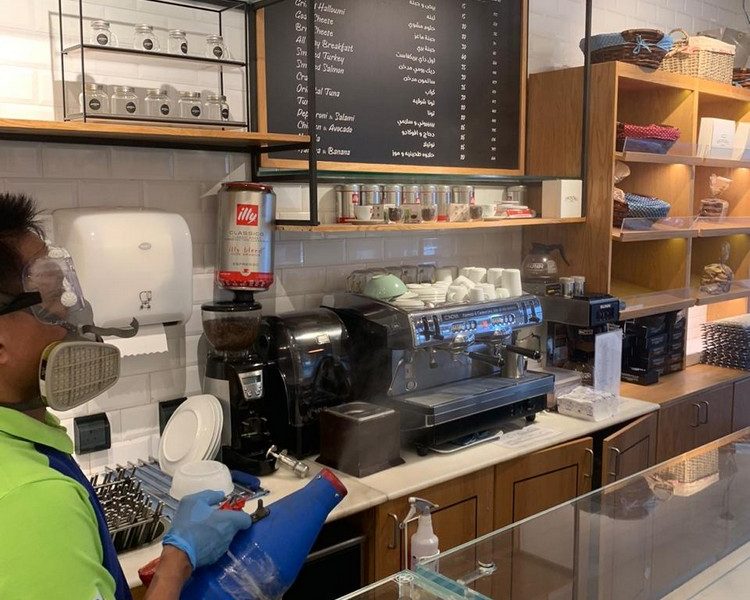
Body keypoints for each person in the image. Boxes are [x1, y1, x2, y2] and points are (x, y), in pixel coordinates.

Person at [0, 193, 253, 599]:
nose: (73, 316)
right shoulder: (33, 498)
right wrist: (177, 561)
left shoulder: (23, 447)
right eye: (50, 301)